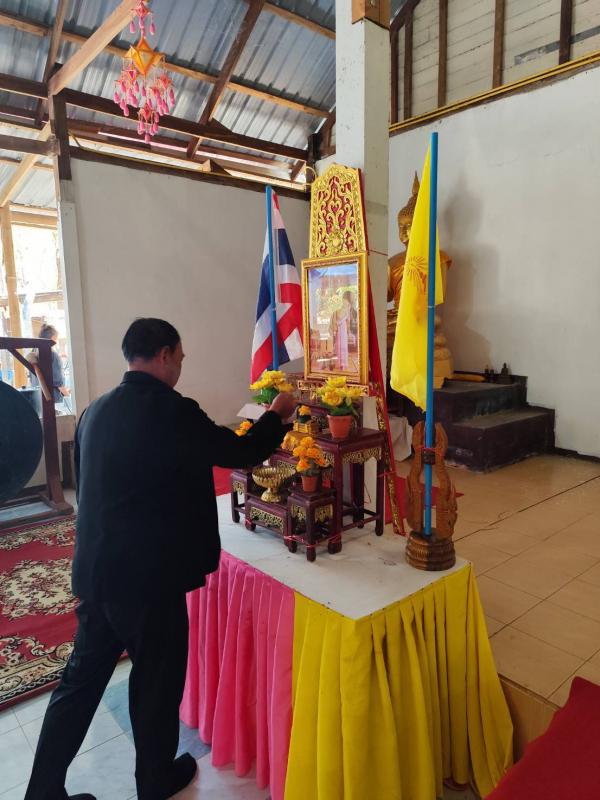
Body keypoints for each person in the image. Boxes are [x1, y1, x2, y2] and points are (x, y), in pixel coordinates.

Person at [24, 318, 296, 800]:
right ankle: (154, 782)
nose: (181, 368)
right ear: (165, 354)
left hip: (97, 576)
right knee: (156, 683)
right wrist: (277, 414)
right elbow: (242, 451)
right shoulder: (174, 411)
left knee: (79, 684)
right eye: (181, 358)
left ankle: (42, 791)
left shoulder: (94, 411)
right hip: (149, 583)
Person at [29, 324, 70, 404]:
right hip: (53, 402)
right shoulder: (53, 355)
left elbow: (33, 380)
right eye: (56, 339)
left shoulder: (33, 353)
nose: (56, 342)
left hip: (37, 400)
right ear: (53, 338)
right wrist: (68, 396)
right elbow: (59, 383)